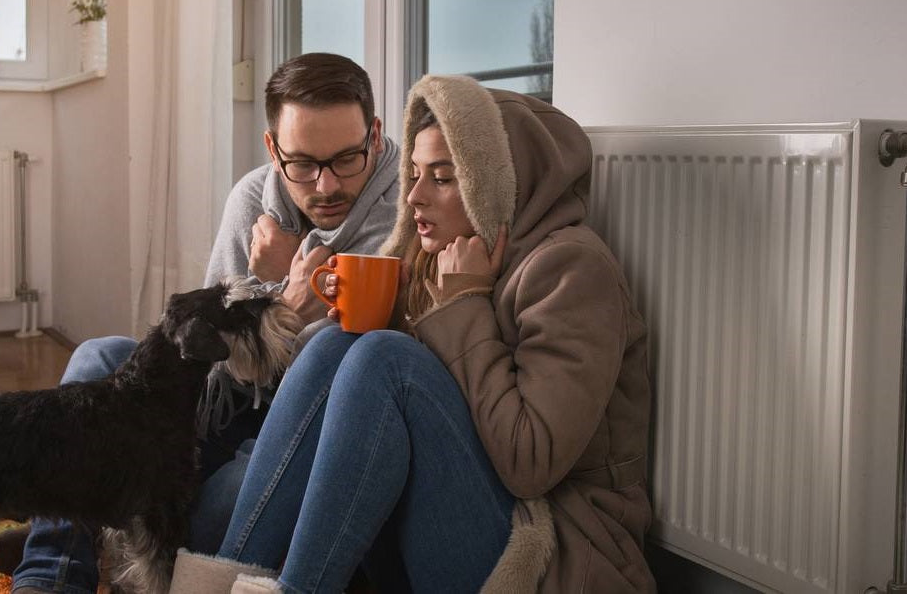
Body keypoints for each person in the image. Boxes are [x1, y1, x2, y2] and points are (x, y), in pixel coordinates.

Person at [170, 75, 656, 593]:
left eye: (443, 178)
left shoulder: (571, 269)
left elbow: (528, 462)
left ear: (498, 183)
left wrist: (465, 305)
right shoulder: (436, 260)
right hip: (465, 515)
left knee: (385, 358)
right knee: (342, 343)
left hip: (550, 548)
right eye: (415, 174)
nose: (415, 195)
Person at [0, 53, 401, 594]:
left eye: (346, 158)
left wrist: (283, 289)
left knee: (231, 490)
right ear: (272, 148)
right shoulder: (253, 199)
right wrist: (285, 302)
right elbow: (207, 374)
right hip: (226, 403)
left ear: (374, 135)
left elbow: (354, 381)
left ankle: (99, 540)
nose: (325, 185)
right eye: (302, 163)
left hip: (301, 434)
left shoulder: (406, 215)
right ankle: (52, 570)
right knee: (99, 358)